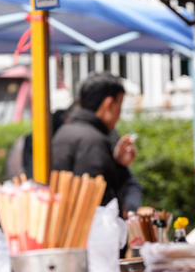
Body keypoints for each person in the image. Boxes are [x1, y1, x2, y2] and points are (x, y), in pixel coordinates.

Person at [51, 72, 137, 208]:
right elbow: (100, 202)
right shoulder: (93, 141)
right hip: (88, 227)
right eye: (120, 105)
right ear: (109, 104)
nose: (119, 114)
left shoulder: (65, 131)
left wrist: (119, 165)